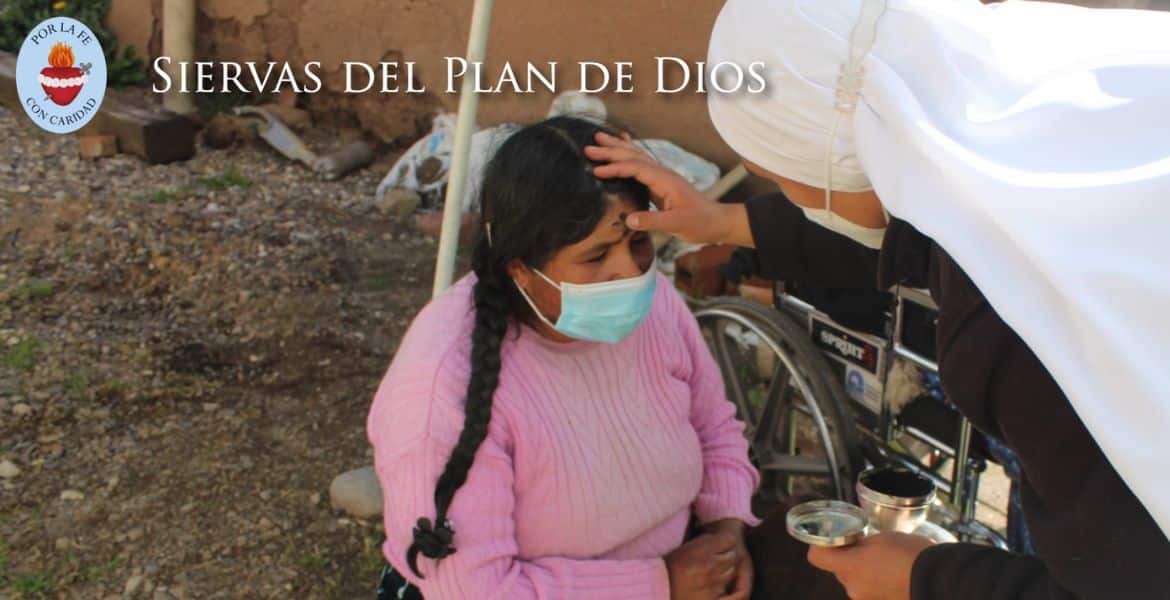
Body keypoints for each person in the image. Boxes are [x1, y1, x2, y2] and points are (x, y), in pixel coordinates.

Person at [585, 0, 1170, 598]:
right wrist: (724, 222)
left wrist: (926, 578)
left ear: (852, 153)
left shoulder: (1022, 320)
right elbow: (909, 233)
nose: (794, 199)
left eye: (783, 177)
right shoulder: (1054, 95)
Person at [368, 116, 762, 600]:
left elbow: (715, 427)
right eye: (596, 257)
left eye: (638, 242)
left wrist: (727, 530)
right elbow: (474, 590)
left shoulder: (653, 301)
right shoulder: (440, 391)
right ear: (521, 271)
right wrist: (660, 583)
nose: (630, 272)